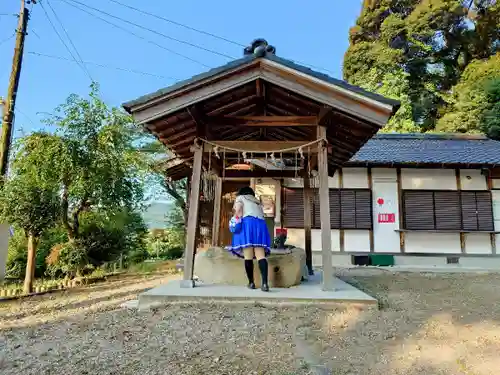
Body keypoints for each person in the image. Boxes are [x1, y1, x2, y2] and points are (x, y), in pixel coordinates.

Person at [227, 186, 271, 291]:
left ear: (241, 192)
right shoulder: (257, 201)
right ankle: (265, 284)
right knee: (261, 256)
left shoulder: (240, 198)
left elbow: (237, 210)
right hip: (260, 225)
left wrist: (236, 217)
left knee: (248, 256)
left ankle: (251, 283)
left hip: (247, 224)